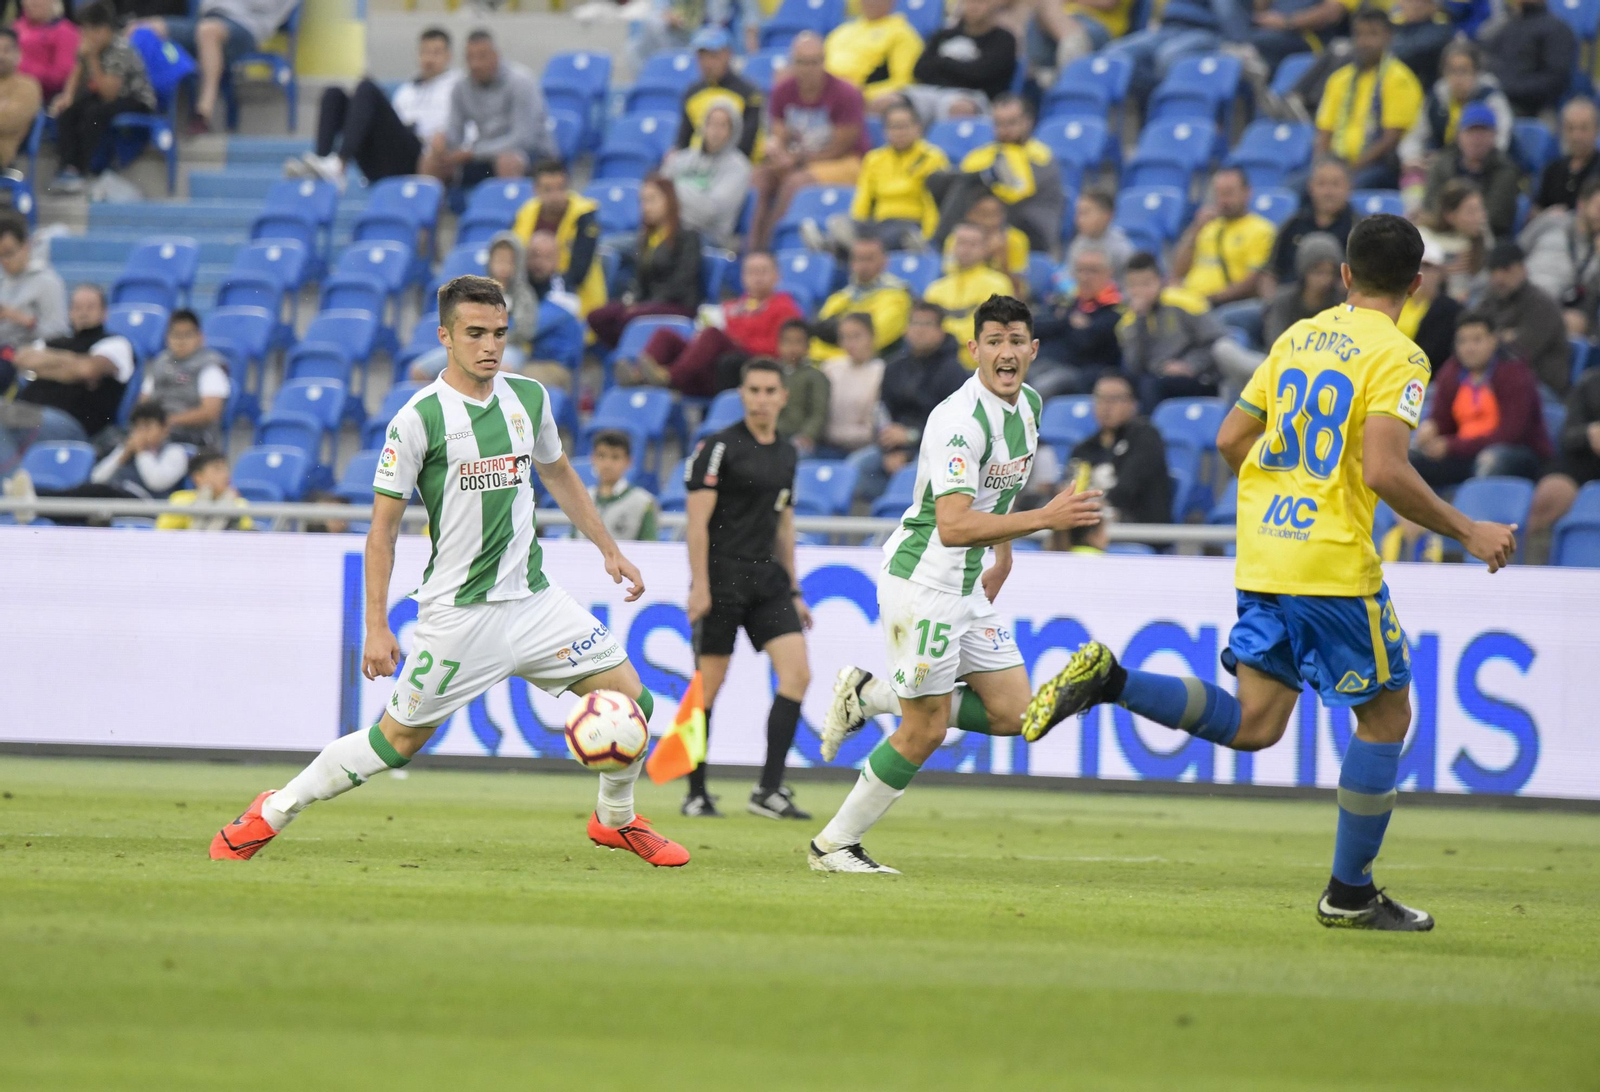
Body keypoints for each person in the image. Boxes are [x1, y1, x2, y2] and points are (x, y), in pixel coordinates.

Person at [1023, 214, 1520, 931]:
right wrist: (1468, 527)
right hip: (1330, 563)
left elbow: (1232, 437)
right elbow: (1384, 470)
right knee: (1387, 718)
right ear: (1416, 285)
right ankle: (1349, 893)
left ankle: (1113, 681)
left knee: (1257, 723)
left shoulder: (1297, 337)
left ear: (1344, 275)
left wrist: (1279, 497)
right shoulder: (1401, 357)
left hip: (1265, 551)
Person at [209, 275, 689, 869]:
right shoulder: (418, 419)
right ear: (445, 336)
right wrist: (377, 626)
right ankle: (273, 810)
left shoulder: (530, 398)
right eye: (475, 333)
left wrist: (608, 548)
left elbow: (558, 472)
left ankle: (616, 819)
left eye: (500, 334)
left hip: (535, 602)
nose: (490, 346)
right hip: (460, 616)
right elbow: (382, 532)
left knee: (632, 702)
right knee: (394, 744)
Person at [811, 294, 1103, 874]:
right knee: (925, 729)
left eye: (1015, 341)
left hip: (966, 583)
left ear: (1033, 350)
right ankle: (833, 846)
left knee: (1014, 713)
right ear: (974, 350)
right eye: (993, 341)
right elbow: (952, 525)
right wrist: (1045, 520)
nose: (1005, 352)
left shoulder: (1030, 405)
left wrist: (1004, 556)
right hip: (924, 584)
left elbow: (1000, 489)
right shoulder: (958, 422)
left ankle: (868, 695)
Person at [683, 358, 815, 821]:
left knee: (798, 674)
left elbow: (784, 523)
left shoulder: (787, 453)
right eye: (754, 390)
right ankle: (695, 792)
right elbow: (696, 523)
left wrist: (794, 589)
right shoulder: (719, 447)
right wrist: (700, 586)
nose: (761, 399)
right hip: (722, 578)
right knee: (707, 688)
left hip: (768, 581)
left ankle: (769, 790)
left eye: (769, 391)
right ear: (742, 394)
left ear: (783, 397)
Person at [288, 26, 458, 188]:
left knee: (367, 88)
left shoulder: (456, 86)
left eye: (436, 53)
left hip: (424, 158)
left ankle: (340, 165)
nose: (429, 59)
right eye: (425, 52)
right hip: (389, 156)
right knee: (334, 94)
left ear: (448, 56)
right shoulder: (406, 91)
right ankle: (321, 164)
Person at [750, 33, 868, 251]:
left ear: (824, 62)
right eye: (802, 62)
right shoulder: (782, 91)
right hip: (800, 158)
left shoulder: (846, 93)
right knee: (760, 177)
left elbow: (840, 147)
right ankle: (749, 246)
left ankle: (770, 247)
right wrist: (778, 153)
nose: (808, 69)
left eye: (815, 62)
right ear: (793, 63)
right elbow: (779, 134)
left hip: (845, 161)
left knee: (795, 183)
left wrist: (796, 161)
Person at [1408, 311, 1551, 487]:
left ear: (1494, 340)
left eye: (1477, 340)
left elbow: (1510, 435)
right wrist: (1432, 429)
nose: (1469, 348)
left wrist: (1451, 446)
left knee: (1491, 460)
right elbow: (1442, 421)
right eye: (1462, 341)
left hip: (1516, 453)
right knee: (1410, 460)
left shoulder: (1515, 373)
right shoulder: (1450, 373)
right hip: (1463, 453)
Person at [633, 250, 803, 396]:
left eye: (763, 271)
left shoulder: (785, 307)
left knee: (713, 335)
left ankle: (669, 377)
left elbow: (782, 349)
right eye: (751, 272)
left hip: (747, 370)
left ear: (777, 275)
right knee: (665, 335)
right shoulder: (732, 306)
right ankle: (638, 376)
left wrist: (735, 341)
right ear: (743, 277)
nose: (757, 277)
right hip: (712, 367)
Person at [1, 284, 135, 467]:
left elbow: (88, 369)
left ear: (104, 313)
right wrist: (73, 367)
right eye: (77, 307)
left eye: (90, 307)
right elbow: (21, 358)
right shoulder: (54, 341)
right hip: (30, 413)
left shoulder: (115, 343)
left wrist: (46, 365)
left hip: (72, 424)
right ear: (70, 312)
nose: (83, 312)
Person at [849, 300, 969, 501]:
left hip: (935, 451)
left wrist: (912, 439)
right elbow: (882, 413)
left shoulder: (954, 372)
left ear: (941, 331)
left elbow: (955, 426)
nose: (919, 330)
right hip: (890, 450)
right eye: (914, 323)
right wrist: (890, 450)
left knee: (913, 474)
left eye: (927, 324)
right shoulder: (894, 367)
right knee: (856, 467)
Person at [3, 400, 185, 525]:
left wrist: (142, 452)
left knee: (95, 492)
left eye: (148, 427)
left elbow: (156, 481)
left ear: (164, 429)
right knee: (87, 492)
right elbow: (98, 477)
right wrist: (122, 455)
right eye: (138, 427)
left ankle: (33, 504)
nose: (141, 433)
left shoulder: (175, 452)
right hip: (113, 496)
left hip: (145, 505)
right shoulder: (127, 449)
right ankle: (32, 499)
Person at [929, 94, 1064, 254]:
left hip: (1031, 230)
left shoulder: (1041, 157)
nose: (1004, 130)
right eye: (998, 124)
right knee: (942, 182)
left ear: (1028, 122)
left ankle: (939, 244)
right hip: (987, 224)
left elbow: (1016, 193)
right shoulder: (985, 153)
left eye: (1011, 123)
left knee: (976, 189)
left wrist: (981, 177)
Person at [135, 0, 296, 133]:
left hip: (247, 26)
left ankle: (203, 113)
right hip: (205, 20)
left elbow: (265, 6)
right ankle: (144, 107)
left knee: (208, 32)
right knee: (141, 29)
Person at [47, 1, 155, 196]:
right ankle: (69, 168)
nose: (83, 35)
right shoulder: (88, 46)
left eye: (87, 30)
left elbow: (109, 94)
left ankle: (86, 169)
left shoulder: (120, 48)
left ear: (103, 30)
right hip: (106, 98)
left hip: (135, 100)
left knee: (94, 114)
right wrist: (67, 97)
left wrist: (92, 57)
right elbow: (77, 72)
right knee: (69, 112)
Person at [420, 30, 549, 191]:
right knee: (432, 160)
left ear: (496, 56)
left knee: (508, 160)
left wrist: (474, 152)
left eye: (482, 57)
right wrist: (442, 141)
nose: (475, 64)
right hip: (485, 156)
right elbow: (455, 135)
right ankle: (431, 205)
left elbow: (524, 139)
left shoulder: (521, 82)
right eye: (470, 58)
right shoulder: (461, 87)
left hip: (532, 156)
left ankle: (511, 205)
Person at [586, 175, 704, 352]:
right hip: (648, 303)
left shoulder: (688, 236)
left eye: (652, 200)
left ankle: (633, 356)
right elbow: (641, 281)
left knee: (628, 318)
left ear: (669, 201)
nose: (646, 207)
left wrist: (644, 305)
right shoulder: (647, 238)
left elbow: (681, 282)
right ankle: (625, 354)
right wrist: (635, 301)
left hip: (677, 304)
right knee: (598, 317)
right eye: (642, 201)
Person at [1313, 8, 1424, 190]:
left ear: (1388, 37)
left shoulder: (1400, 79)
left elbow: (1390, 140)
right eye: (1359, 34)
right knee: (1297, 188)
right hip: (1337, 165)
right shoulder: (1339, 79)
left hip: (1378, 166)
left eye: (1372, 34)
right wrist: (1322, 168)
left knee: (1342, 189)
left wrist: (1350, 169)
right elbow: (1324, 132)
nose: (1364, 42)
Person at [410, 233, 535, 382]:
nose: (503, 266)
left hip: (510, 347)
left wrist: (494, 337)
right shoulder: (478, 291)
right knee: (420, 370)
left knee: (500, 369)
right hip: (472, 342)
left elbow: (525, 331)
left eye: (509, 261)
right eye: (499, 260)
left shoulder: (524, 295)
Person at [829, 99, 948, 253]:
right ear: (885, 131)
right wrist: (858, 223)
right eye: (893, 127)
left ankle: (853, 248)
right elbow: (863, 200)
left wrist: (928, 237)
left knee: (898, 234)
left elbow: (933, 203)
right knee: (839, 223)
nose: (899, 133)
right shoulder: (874, 159)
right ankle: (856, 248)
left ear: (918, 128)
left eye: (904, 126)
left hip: (910, 222)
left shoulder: (932, 157)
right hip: (879, 223)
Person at [1118, 251, 1228, 410]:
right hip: (1158, 377)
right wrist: (1140, 320)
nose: (1139, 291)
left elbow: (1218, 341)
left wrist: (1190, 365)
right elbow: (1134, 366)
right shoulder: (1128, 321)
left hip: (1197, 376)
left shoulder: (1185, 303)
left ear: (1161, 281)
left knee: (1150, 386)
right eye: (1133, 285)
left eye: (1146, 283)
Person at [1064, 371, 1175, 525]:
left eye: (1114, 399)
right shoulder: (1085, 447)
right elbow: (1070, 487)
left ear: (1133, 404)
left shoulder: (1146, 437)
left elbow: (1126, 490)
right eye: (1100, 398)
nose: (1106, 406)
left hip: (1137, 526)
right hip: (1089, 524)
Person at [1398, 41, 1512, 183]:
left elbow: (1501, 143)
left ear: (1477, 72)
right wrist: (1412, 158)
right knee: (1412, 178)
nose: (1458, 79)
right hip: (1441, 169)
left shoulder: (1491, 99)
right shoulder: (1436, 98)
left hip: (1482, 171)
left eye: (1464, 71)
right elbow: (1414, 136)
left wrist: (1453, 160)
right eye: (1452, 71)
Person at [1100, 0, 1248, 107]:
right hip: (1168, 28)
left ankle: (1170, 110)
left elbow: (1229, 12)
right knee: (1115, 55)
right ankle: (1155, 102)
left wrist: (1238, 41)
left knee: (1168, 57)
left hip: (1205, 31)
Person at [1172, 167, 1278, 309]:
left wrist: (1211, 299)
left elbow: (1254, 280)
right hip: (1189, 300)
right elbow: (1178, 272)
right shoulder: (1207, 226)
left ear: (1247, 192)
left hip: (1222, 304)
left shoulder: (1261, 230)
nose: (1223, 201)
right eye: (1219, 194)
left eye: (1229, 193)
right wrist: (1195, 231)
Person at [511, 160, 606, 319]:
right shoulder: (525, 213)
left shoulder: (585, 216)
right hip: (531, 297)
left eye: (561, 188)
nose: (555, 196)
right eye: (548, 189)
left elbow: (578, 273)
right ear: (535, 190)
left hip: (579, 301)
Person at [902, 0, 1018, 121]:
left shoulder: (1003, 39)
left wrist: (943, 62)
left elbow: (981, 75)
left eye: (981, 2)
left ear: (994, 5)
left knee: (960, 108)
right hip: (932, 92)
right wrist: (960, 68)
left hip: (975, 97)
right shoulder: (944, 35)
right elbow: (919, 70)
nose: (974, 7)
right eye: (968, 2)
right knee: (893, 100)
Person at [1031, 245, 1124, 395]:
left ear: (1109, 273)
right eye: (1080, 270)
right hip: (1045, 362)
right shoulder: (1068, 301)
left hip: (1080, 373)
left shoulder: (1115, 309)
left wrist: (1060, 322)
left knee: (1036, 390)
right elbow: (1034, 327)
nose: (1084, 277)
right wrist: (1068, 322)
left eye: (1093, 271)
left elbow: (1086, 341)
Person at [1528, 367, 1600, 559]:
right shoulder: (1591, 382)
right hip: (1586, 462)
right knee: (1551, 492)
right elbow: (1567, 436)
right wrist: (1589, 433)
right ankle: (1525, 565)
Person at [1421, 102, 1522, 240]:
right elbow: (1430, 203)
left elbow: (1496, 216)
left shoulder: (1505, 170)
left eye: (1483, 133)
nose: (1476, 139)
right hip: (1442, 233)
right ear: (1459, 135)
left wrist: (1460, 220)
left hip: (1485, 238)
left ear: (1494, 136)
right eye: (1470, 132)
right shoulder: (1443, 163)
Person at [1483, 241, 1571, 396]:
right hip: (1497, 378)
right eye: (1493, 270)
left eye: (1506, 269)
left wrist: (1491, 339)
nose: (1499, 277)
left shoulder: (1541, 303)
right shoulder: (1490, 300)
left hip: (1542, 386)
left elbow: (1521, 351)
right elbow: (1468, 332)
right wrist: (1503, 337)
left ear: (1523, 269)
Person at [661, 100, 752, 248]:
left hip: (708, 238)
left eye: (723, 125)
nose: (716, 131)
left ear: (733, 131)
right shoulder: (681, 159)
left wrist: (673, 193)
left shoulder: (738, 167)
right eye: (712, 123)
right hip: (670, 229)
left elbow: (711, 211)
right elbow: (658, 192)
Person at [925, 224, 1017, 367]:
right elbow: (926, 325)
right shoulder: (936, 288)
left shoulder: (998, 284)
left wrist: (943, 336)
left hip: (978, 366)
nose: (966, 249)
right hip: (936, 362)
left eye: (973, 244)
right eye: (961, 243)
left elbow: (987, 329)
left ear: (985, 249)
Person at [137, 308, 230, 448]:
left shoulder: (210, 367)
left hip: (194, 435)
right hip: (158, 430)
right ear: (167, 337)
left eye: (187, 335)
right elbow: (144, 402)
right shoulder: (160, 362)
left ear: (200, 337)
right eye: (176, 335)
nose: (181, 341)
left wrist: (167, 422)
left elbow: (210, 413)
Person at [811, 234, 912, 357]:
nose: (863, 265)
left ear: (884, 262)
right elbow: (816, 338)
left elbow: (872, 341)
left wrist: (832, 346)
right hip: (825, 362)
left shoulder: (897, 296)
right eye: (858, 259)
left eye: (869, 259)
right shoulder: (840, 297)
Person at [675, 27, 762, 160]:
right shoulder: (691, 92)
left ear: (728, 54)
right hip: (696, 164)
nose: (707, 63)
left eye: (713, 56)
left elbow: (746, 144)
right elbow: (683, 141)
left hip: (734, 163)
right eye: (702, 56)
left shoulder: (748, 93)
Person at [1268, 160, 1356, 288]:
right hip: (1288, 296)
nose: (1328, 192)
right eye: (1321, 184)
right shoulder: (1292, 224)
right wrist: (1272, 298)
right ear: (1310, 187)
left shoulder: (1359, 229)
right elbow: (1270, 272)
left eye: (1336, 184)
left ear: (1349, 187)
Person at [1482, 0, 1577, 118]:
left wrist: (1509, 88)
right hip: (1496, 101)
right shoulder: (1505, 27)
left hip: (1536, 109)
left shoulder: (1556, 29)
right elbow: (1486, 59)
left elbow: (1555, 80)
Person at [1520, 175, 1600, 307]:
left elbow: (1590, 295)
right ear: (1581, 204)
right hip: (1523, 291)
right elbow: (1519, 248)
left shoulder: (1595, 250)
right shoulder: (1553, 219)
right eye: (1598, 208)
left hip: (1557, 307)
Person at [824, 0, 923, 105]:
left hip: (863, 98)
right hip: (824, 92)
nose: (871, 2)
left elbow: (904, 81)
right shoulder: (841, 31)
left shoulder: (902, 34)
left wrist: (864, 93)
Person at [0, 212, 66, 360]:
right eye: (0, 256)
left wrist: (26, 321)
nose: (4, 261)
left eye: (8, 253)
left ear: (26, 247)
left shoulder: (47, 282)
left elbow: (59, 334)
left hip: (28, 356)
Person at [1263, 232, 1347, 347]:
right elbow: (1275, 342)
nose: (1325, 280)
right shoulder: (1283, 301)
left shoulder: (1342, 303)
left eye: (1330, 273)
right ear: (1304, 272)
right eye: (1318, 273)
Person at [819, 312, 886, 455]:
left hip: (865, 448)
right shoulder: (830, 368)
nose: (850, 343)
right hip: (827, 445)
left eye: (856, 336)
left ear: (871, 337)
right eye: (844, 337)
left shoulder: (881, 371)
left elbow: (873, 426)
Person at [1417, 178, 1491, 302]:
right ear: (1450, 216)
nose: (1480, 217)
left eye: (1481, 209)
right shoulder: (1424, 238)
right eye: (1471, 212)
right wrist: (1439, 274)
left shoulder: (1485, 238)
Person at [585, 429, 659, 542]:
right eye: (601, 456)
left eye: (615, 457)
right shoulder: (583, 497)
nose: (607, 464)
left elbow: (649, 545)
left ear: (628, 461)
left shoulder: (643, 502)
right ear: (592, 458)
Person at [1397, 243, 1463, 369]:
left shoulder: (1449, 309)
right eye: (1415, 266)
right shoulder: (1395, 302)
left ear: (1441, 273)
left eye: (1427, 267)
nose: (1419, 272)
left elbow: (1436, 352)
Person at [1027, 0, 1137, 75]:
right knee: (1041, 10)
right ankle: (1038, 76)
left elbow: (1107, 2)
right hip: (1065, 20)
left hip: (1099, 26)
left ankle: (1068, 78)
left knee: (1048, 8)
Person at [155, 448, 253, 530]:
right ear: (198, 477)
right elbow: (163, 534)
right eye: (217, 469)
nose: (225, 475)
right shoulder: (180, 500)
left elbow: (245, 537)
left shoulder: (239, 503)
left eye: (226, 469)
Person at [1247, 0, 1353, 75]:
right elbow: (1260, 10)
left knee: (1259, 43)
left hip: (1309, 37)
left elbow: (1331, 13)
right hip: (1271, 30)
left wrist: (1286, 22)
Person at [774, 320, 831, 455]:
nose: (792, 347)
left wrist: (807, 435)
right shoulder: (772, 374)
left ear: (808, 346)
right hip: (773, 434)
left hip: (800, 438)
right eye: (787, 341)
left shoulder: (816, 377)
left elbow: (819, 413)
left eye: (798, 342)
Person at [1535, 97, 1600, 213]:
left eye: (1584, 128)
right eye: (1570, 128)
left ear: (1596, 130)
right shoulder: (1552, 169)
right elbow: (1536, 209)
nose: (1576, 136)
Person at [16, 0, 78, 102]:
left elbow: (61, 76)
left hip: (43, 97)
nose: (32, 3)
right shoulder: (17, 27)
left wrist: (23, 68)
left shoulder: (65, 32)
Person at [1064, 187, 1133, 279]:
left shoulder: (1121, 250)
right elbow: (1069, 279)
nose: (1078, 220)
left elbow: (1128, 284)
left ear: (1107, 216)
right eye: (1078, 213)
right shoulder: (1078, 243)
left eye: (1085, 213)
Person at [1389, 0, 1457, 89]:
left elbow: (1411, 53)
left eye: (1423, 1)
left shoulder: (1441, 30)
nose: (1416, 4)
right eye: (1409, 1)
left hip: (1427, 90)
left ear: (1434, 6)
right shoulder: (1394, 29)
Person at [0, 29, 42, 169]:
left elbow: (9, 120)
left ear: (18, 54)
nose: (1, 56)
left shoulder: (27, 86)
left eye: (6, 50)